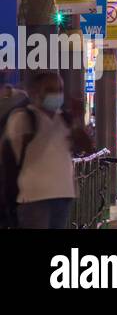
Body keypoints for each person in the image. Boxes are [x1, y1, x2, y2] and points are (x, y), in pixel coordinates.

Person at [1, 71, 91, 229]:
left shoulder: (64, 118)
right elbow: (10, 160)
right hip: (34, 197)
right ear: (36, 92)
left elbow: (86, 148)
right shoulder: (23, 118)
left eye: (59, 89)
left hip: (63, 194)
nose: (56, 94)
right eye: (50, 89)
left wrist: (77, 119)